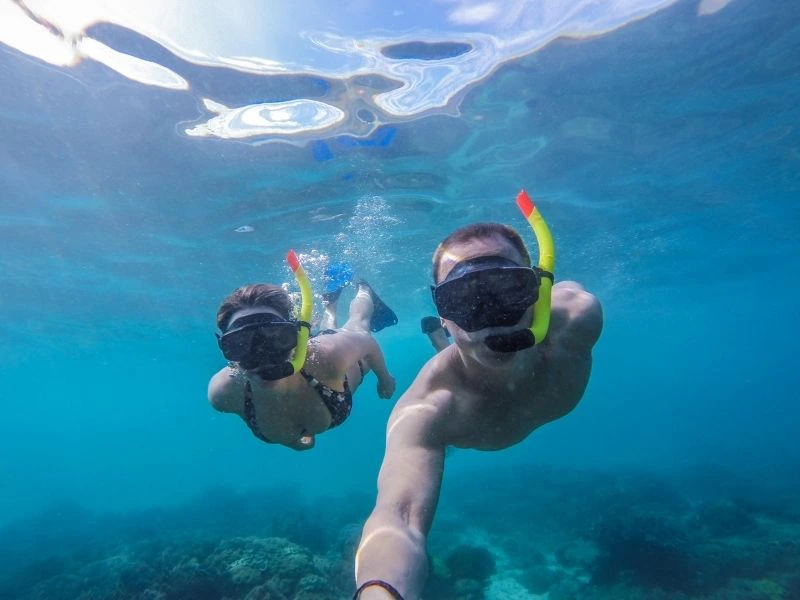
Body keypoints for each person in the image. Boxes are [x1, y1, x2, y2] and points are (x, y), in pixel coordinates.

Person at [353, 191, 603, 599]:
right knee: (456, 375)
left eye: (508, 292)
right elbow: (397, 515)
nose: (491, 321)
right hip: (458, 390)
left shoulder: (578, 318)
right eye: (466, 300)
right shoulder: (429, 409)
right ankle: (444, 337)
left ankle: (447, 333)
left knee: (470, 354)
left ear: (537, 294)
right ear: (446, 313)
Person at [208, 252, 398, 451]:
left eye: (276, 337)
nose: (263, 356)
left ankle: (364, 289)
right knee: (330, 326)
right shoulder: (223, 393)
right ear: (226, 350)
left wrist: (385, 378)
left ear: (298, 337)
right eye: (241, 343)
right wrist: (295, 442)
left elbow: (367, 343)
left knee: (359, 324)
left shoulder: (328, 355)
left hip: (344, 364)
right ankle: (330, 305)